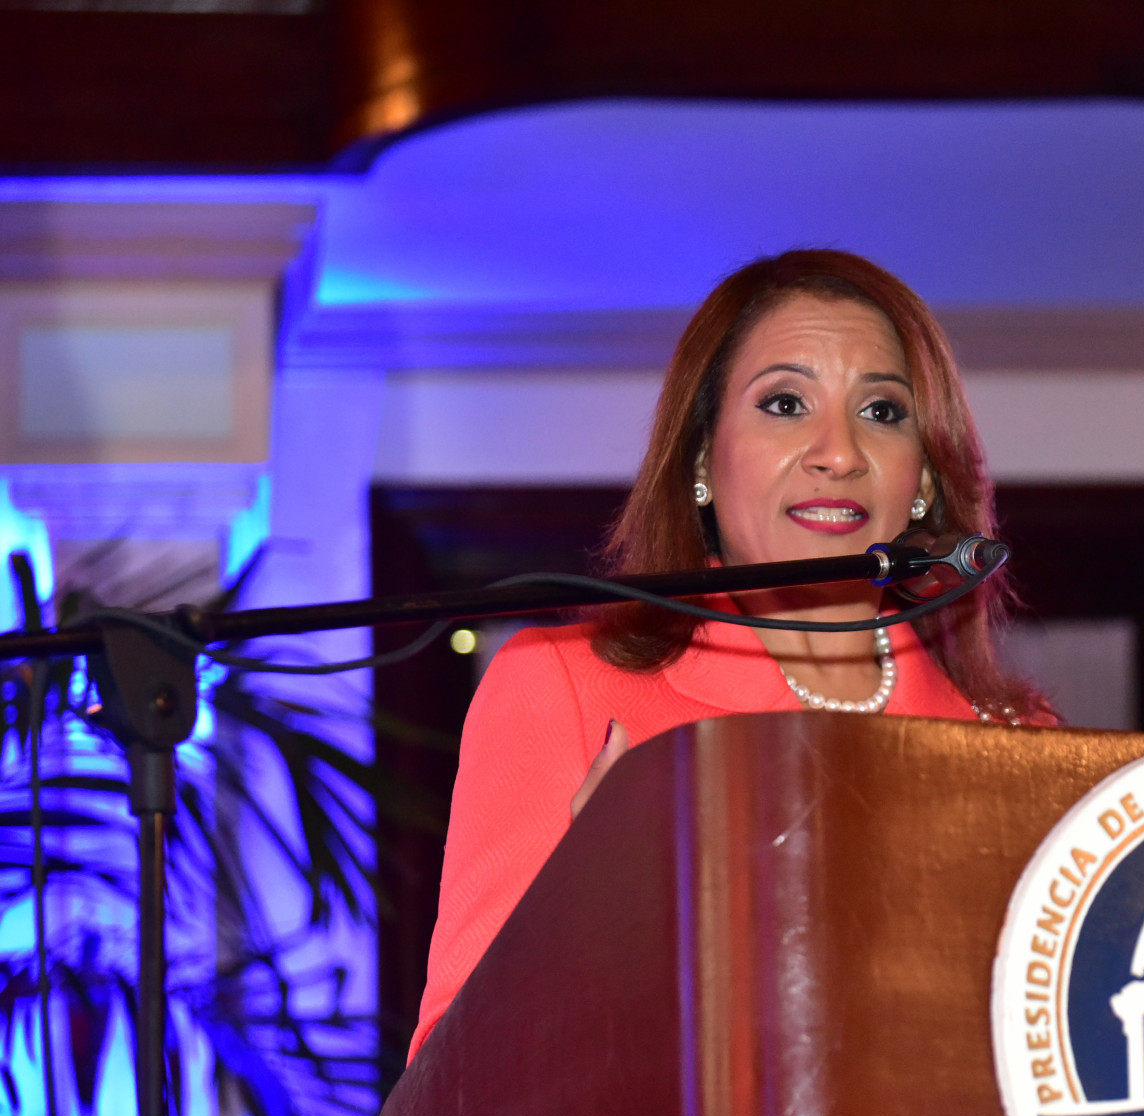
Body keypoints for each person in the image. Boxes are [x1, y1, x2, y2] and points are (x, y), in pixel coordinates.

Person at [410, 249, 1051, 1062]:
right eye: (785, 403)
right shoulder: (563, 687)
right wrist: (590, 923)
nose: (839, 452)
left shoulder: (1020, 743)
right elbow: (452, 1090)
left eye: (882, 411)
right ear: (703, 462)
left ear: (922, 478)